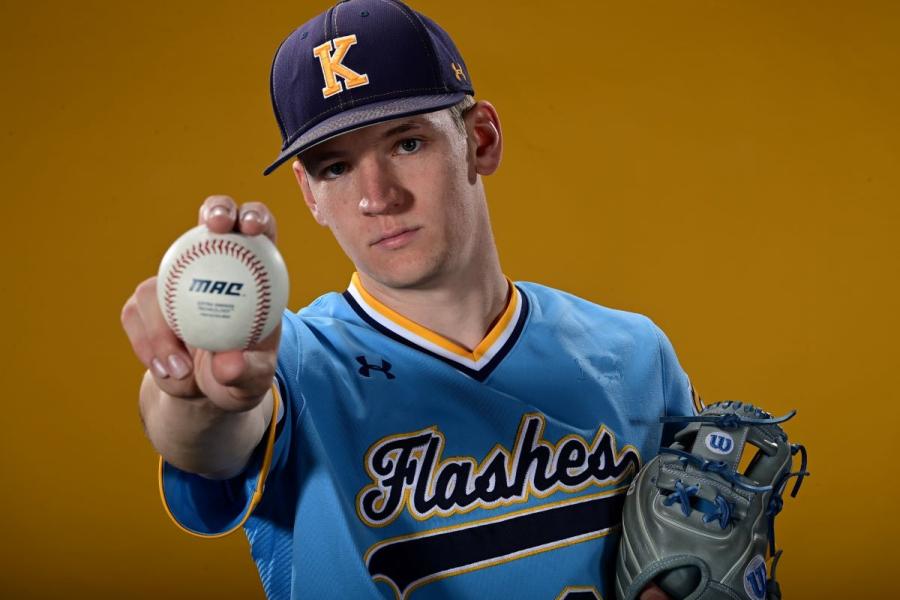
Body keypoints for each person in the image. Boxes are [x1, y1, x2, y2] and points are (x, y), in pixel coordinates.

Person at [120, 1, 699, 598]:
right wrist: (198, 397)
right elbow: (208, 443)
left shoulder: (634, 353)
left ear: (480, 139)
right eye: (336, 166)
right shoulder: (292, 361)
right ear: (310, 195)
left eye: (407, 145)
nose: (377, 196)